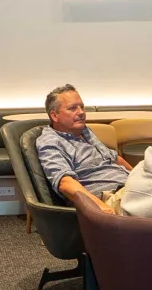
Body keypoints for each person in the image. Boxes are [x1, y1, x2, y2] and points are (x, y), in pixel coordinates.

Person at [35, 85, 131, 214]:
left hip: (130, 188)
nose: (81, 112)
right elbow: (65, 182)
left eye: (82, 107)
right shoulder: (51, 141)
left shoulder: (84, 131)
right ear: (54, 115)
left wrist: (138, 176)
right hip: (110, 198)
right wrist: (99, 207)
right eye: (72, 108)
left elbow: (114, 158)